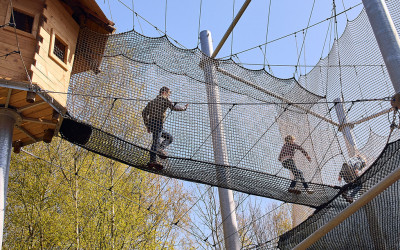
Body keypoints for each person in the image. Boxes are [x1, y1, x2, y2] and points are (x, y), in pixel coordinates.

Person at [142, 87, 188, 168]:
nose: (169, 95)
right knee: (156, 141)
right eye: (168, 93)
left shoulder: (151, 102)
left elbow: (144, 113)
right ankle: (152, 160)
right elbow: (174, 107)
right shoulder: (165, 100)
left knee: (169, 137)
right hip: (157, 123)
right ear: (164, 92)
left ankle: (159, 149)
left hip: (152, 124)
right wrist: (184, 108)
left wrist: (147, 125)